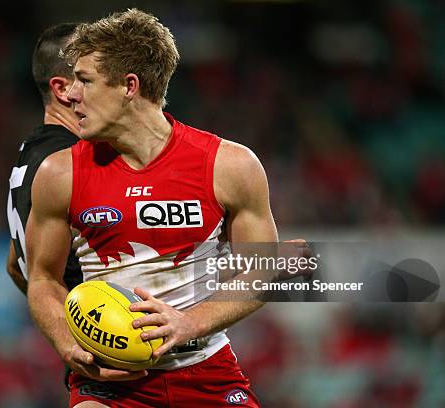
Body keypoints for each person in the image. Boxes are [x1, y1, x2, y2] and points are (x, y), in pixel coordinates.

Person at [25, 9, 308, 407]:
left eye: (84, 81)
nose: (70, 95)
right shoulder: (59, 172)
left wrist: (188, 324)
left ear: (129, 86)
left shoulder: (229, 165)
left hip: (207, 372)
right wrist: (66, 343)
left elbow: (264, 270)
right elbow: (42, 279)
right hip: (109, 384)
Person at [6, 23, 82, 295]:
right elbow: (42, 277)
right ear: (62, 89)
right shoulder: (66, 161)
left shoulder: (34, 153)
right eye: (90, 75)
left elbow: (15, 266)